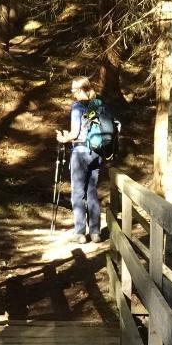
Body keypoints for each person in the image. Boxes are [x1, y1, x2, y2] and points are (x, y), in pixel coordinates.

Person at [54, 77, 104, 244]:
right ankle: (96, 233)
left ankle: (80, 233)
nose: (72, 92)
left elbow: (75, 133)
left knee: (78, 193)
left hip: (80, 152)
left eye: (73, 89)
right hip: (96, 152)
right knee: (92, 192)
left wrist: (63, 138)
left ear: (81, 89)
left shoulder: (77, 107)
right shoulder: (97, 105)